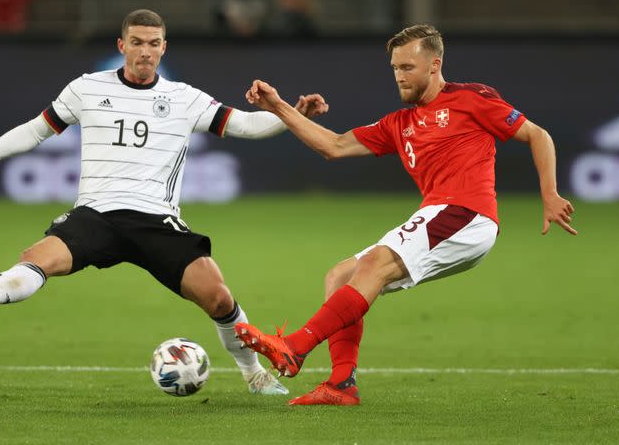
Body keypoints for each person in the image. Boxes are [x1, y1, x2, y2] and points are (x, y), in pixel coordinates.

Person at [0, 8, 328, 396]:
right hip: (97, 214)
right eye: (137, 42)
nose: (145, 51)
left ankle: (253, 373)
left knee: (218, 298)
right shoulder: (87, 88)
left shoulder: (185, 98)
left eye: (153, 43)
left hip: (155, 219)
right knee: (38, 258)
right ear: (121, 45)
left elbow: (248, 126)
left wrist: (293, 114)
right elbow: (35, 131)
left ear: (164, 48)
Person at [234, 24, 578, 405]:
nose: (399, 75)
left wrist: (549, 193)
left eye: (408, 67)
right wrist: (279, 107)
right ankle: (341, 384)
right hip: (439, 216)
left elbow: (537, 134)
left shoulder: (471, 99)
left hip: (467, 213)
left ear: (435, 65)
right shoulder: (399, 124)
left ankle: (294, 348)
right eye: (395, 67)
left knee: (377, 263)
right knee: (340, 274)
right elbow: (333, 146)